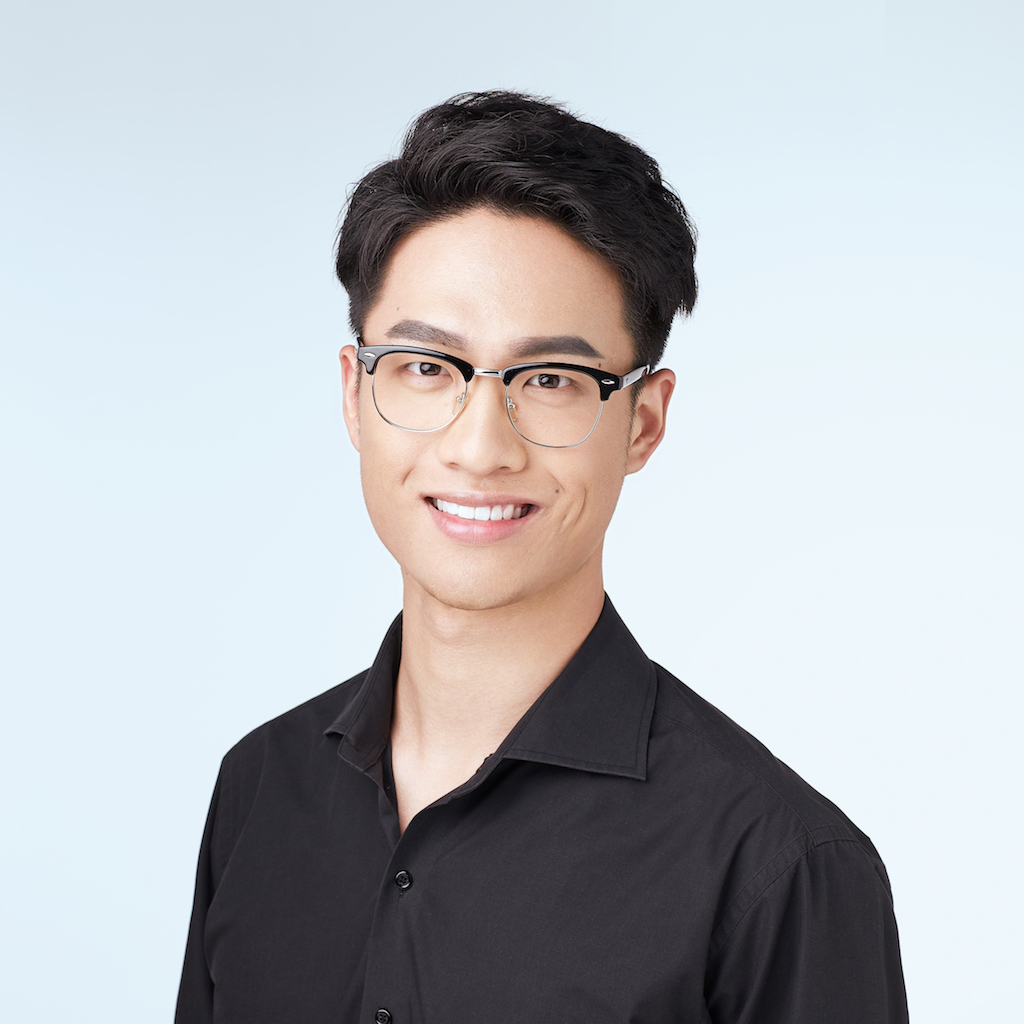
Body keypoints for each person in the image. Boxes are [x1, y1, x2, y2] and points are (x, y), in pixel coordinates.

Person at [175, 91, 909, 1024]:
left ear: (643, 423)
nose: (481, 447)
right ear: (355, 395)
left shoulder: (778, 867)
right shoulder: (260, 791)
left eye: (552, 379)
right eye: (427, 367)